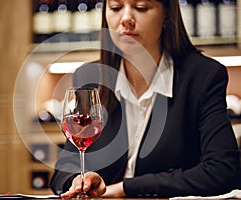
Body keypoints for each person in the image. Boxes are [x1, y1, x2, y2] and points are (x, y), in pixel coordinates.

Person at [50, 0, 240, 198]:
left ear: (167, 15)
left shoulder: (203, 76)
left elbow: (222, 171)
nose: (126, 19)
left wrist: (124, 189)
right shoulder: (89, 77)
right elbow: (64, 169)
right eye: (115, 8)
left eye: (140, 8)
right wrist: (78, 180)